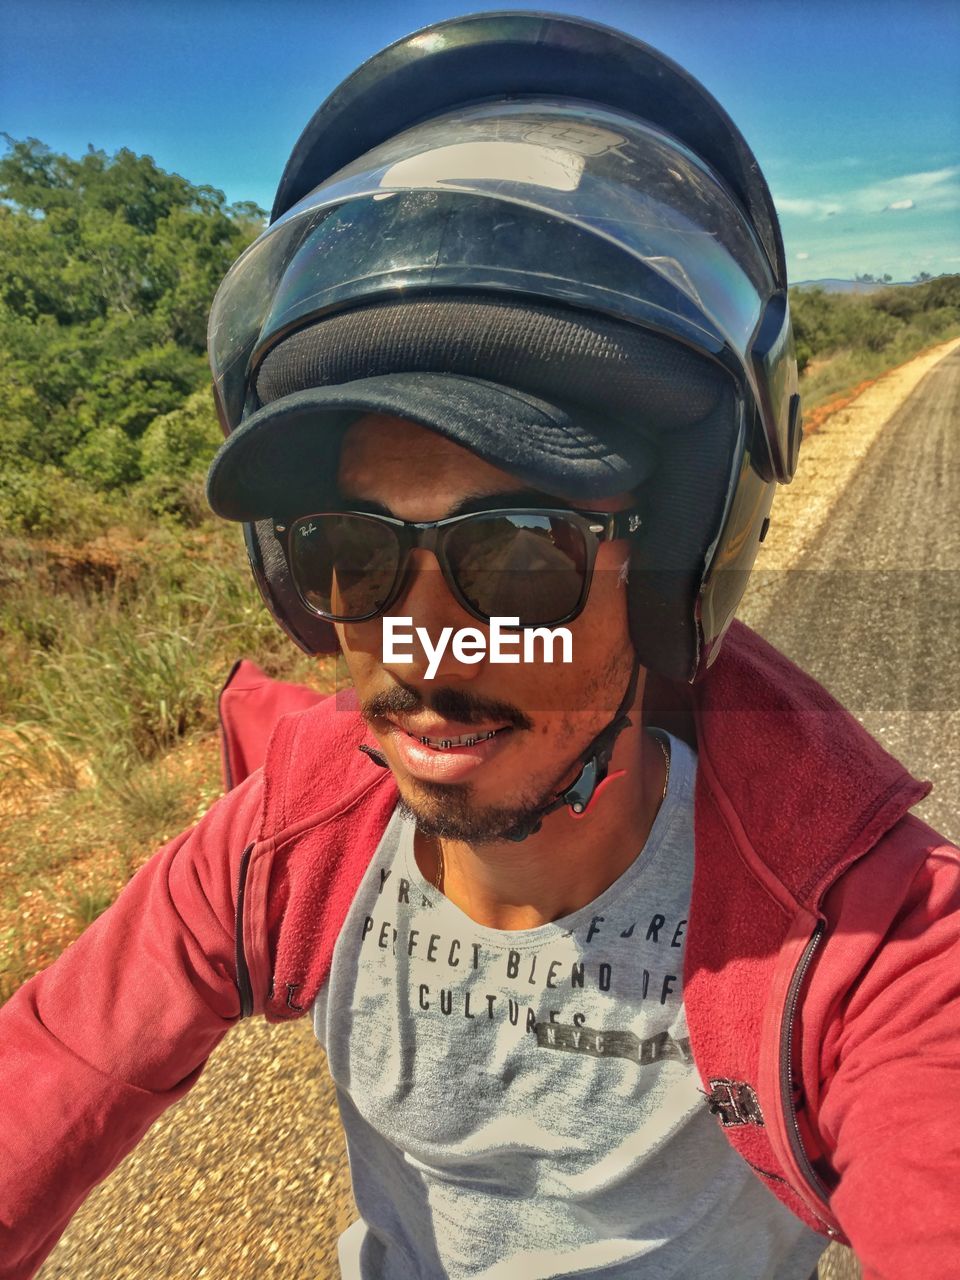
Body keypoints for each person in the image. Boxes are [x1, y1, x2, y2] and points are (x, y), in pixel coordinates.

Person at [1, 12, 957, 1280]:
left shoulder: (862, 925)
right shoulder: (298, 834)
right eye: (352, 547)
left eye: (516, 550)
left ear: (678, 555)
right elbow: (52, 1071)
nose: (422, 635)